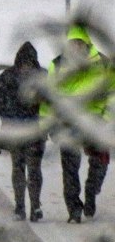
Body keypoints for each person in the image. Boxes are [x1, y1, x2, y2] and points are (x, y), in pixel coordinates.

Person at [40, 24, 115, 223]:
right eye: (72, 43)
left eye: (79, 43)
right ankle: (73, 208)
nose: (75, 48)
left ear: (86, 43)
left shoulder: (103, 63)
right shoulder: (57, 65)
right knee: (70, 167)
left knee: (100, 162)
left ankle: (91, 191)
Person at [0, 42, 46, 222]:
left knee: (22, 168)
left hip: (18, 129)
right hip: (32, 129)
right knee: (29, 169)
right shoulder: (42, 78)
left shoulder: (6, 78)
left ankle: (25, 206)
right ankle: (30, 206)